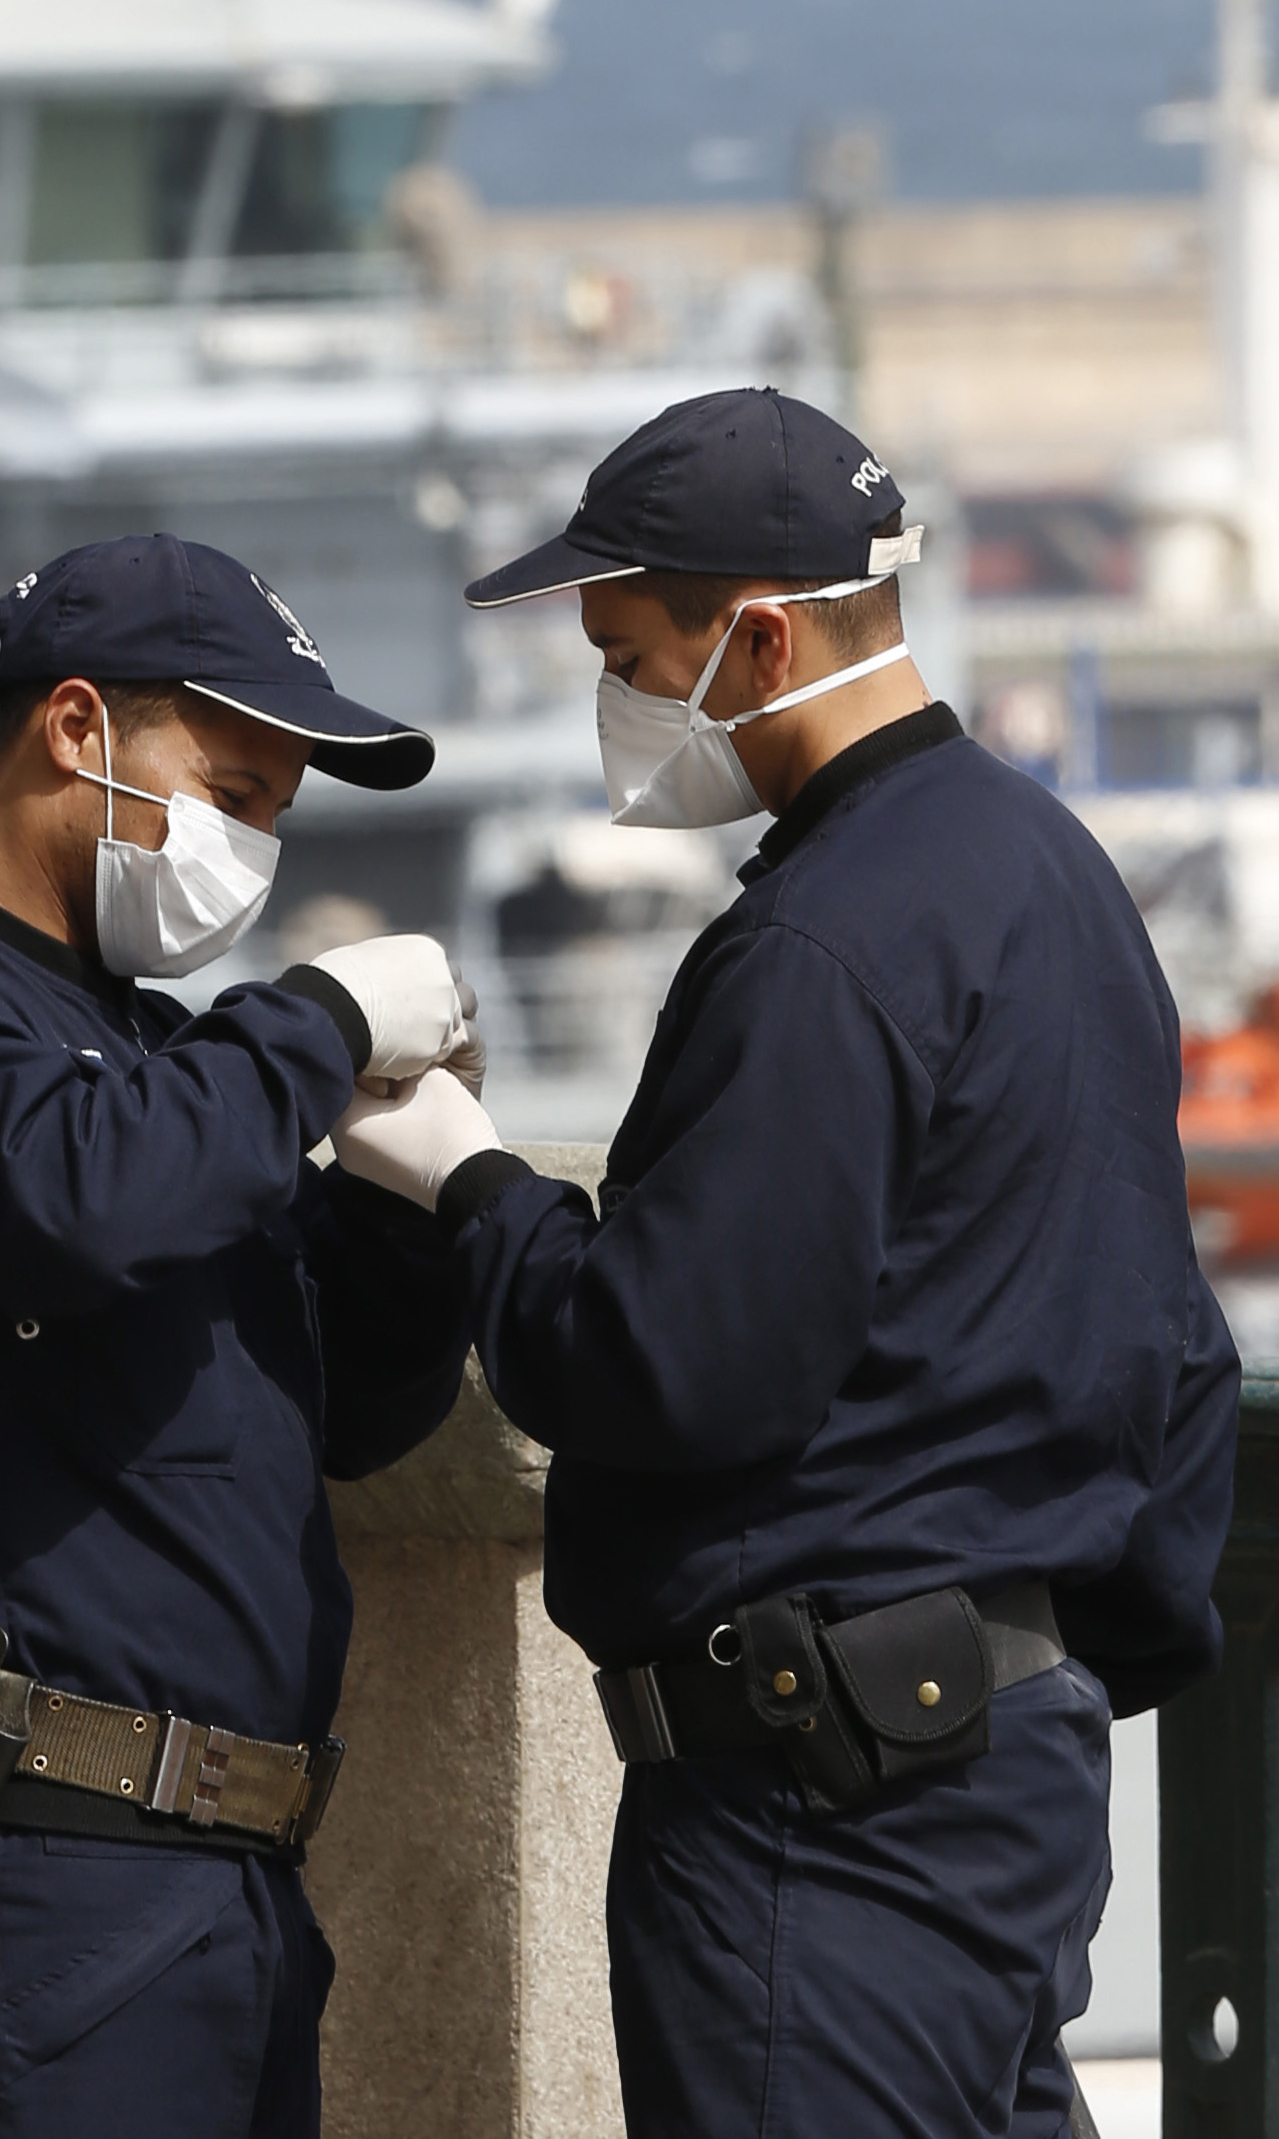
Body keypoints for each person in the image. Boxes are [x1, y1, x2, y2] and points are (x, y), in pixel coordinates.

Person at [333, 385, 1236, 2139]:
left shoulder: (822, 939)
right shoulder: (1051, 875)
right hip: (1003, 1769)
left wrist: (470, 1184)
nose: (614, 702)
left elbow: (670, 1362)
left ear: (753, 639)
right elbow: (1165, 1347)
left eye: (626, 649)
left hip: (821, 1811)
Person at [0, 533, 484, 2136]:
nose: (253, 843)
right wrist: (318, 1023)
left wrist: (406, 1209)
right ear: (75, 730)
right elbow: (76, 1201)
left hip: (231, 1874)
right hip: (45, 1859)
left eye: (278, 812)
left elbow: (341, 1412)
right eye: (231, 785)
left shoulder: (157, 1064)